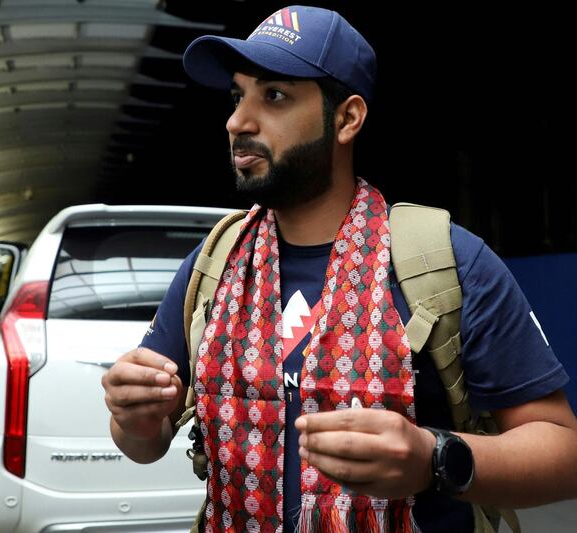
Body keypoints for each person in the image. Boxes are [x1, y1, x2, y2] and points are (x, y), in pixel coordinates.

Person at [101, 5, 577, 533]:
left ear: (347, 118)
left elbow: (562, 453)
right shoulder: (216, 264)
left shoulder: (445, 263)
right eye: (238, 96)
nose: (238, 120)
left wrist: (433, 457)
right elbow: (144, 444)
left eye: (274, 95)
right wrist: (135, 418)